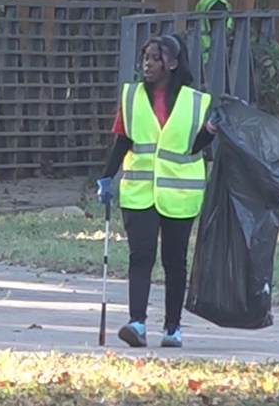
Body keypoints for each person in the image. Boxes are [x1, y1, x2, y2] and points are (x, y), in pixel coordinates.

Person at [96, 34, 218, 348]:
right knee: (141, 256)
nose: (147, 65)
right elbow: (123, 140)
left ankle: (172, 328)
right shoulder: (132, 96)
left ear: (173, 63)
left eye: (155, 59)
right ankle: (137, 323)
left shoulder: (195, 101)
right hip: (139, 191)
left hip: (180, 194)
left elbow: (195, 147)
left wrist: (209, 133)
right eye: (145, 58)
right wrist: (106, 178)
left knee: (175, 261)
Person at [194, 0, 244, 66]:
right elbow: (223, 34)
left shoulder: (205, 0)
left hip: (200, 57)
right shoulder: (217, 3)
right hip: (212, 59)